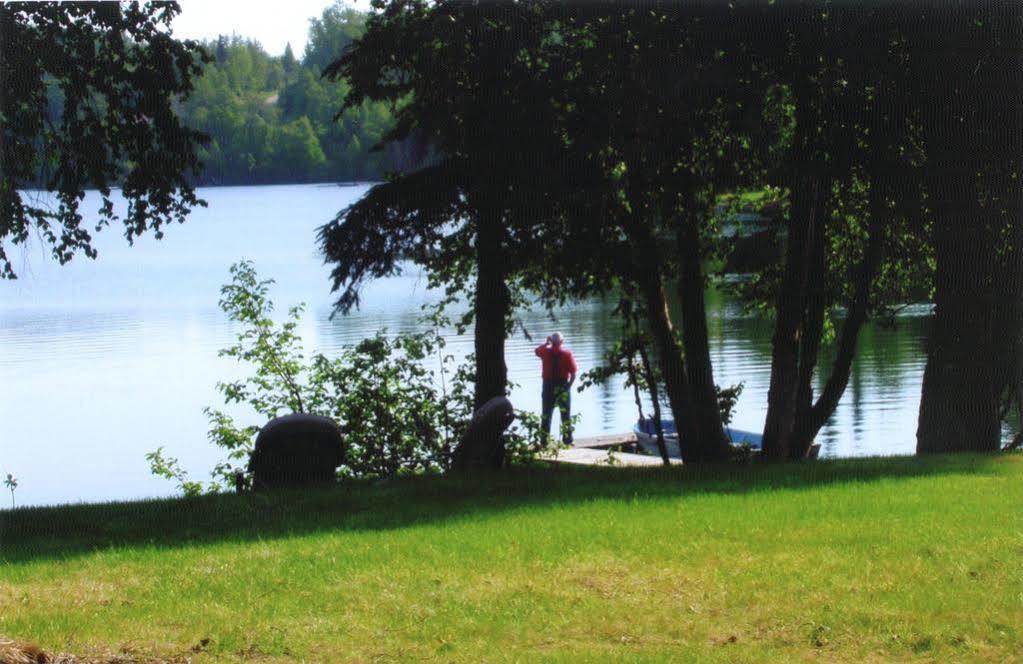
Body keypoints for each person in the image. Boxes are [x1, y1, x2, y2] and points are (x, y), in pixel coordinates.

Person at [534, 331, 578, 444]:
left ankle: (544, 441)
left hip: (548, 386)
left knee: (546, 414)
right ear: (562, 342)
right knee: (565, 414)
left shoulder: (544, 351)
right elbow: (573, 374)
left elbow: (536, 351)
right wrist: (568, 386)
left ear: (551, 341)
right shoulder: (567, 354)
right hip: (563, 385)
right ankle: (567, 440)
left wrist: (546, 343)